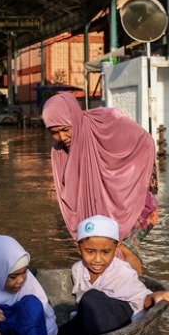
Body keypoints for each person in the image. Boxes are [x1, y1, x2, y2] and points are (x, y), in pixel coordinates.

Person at [42, 93, 158, 276]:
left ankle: (139, 294)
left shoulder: (107, 121)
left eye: (65, 129)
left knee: (124, 247)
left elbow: (145, 142)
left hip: (132, 202)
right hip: (95, 209)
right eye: (54, 132)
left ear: (74, 118)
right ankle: (112, 292)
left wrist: (130, 179)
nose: (61, 137)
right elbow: (68, 193)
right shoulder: (59, 152)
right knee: (97, 249)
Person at [59, 215, 169, 335]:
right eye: (90, 252)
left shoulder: (122, 272)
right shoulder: (77, 269)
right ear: (78, 248)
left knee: (90, 298)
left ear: (115, 249)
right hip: (89, 319)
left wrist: (154, 297)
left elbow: (141, 299)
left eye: (105, 252)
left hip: (119, 320)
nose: (97, 260)